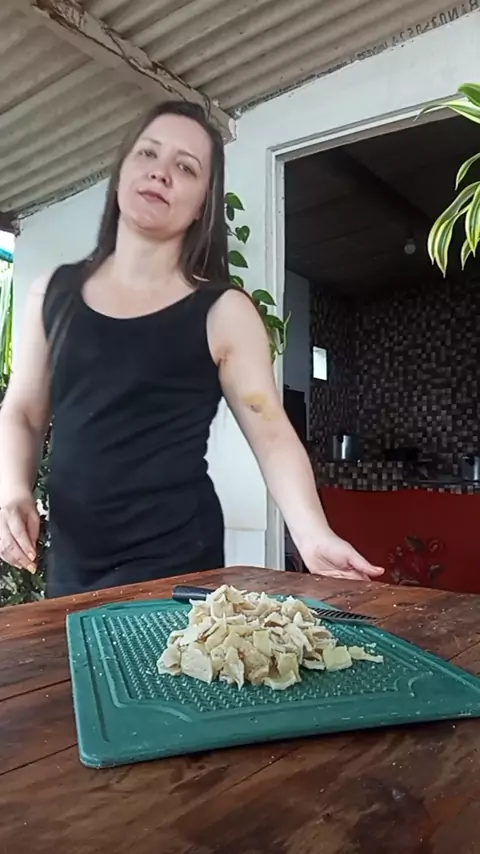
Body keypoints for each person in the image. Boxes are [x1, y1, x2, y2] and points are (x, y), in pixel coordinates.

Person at [0, 101, 384, 598]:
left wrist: (312, 534)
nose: (160, 172)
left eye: (185, 167)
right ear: (121, 173)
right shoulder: (51, 293)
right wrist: (12, 489)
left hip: (176, 564)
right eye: (148, 154)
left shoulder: (224, 311)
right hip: (72, 564)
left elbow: (271, 432)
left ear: (203, 202)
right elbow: (23, 411)